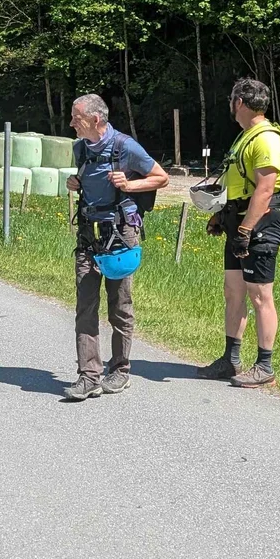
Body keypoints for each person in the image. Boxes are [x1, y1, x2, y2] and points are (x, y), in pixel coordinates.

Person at [63, 93, 168, 401]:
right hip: (88, 234)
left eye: (76, 118)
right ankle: (89, 376)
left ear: (96, 120)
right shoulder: (79, 148)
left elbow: (160, 177)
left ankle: (120, 370)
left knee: (119, 306)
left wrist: (130, 185)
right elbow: (90, 181)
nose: (71, 122)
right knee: (85, 305)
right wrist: (76, 182)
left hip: (121, 234)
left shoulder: (125, 146)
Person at [201, 77, 280, 388]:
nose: (230, 106)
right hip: (238, 222)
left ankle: (265, 367)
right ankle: (231, 360)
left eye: (231, 100)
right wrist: (221, 218)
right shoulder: (245, 137)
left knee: (260, 295)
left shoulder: (266, 139)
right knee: (233, 291)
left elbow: (265, 189)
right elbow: (237, 184)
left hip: (260, 224)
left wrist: (246, 229)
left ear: (239, 102)